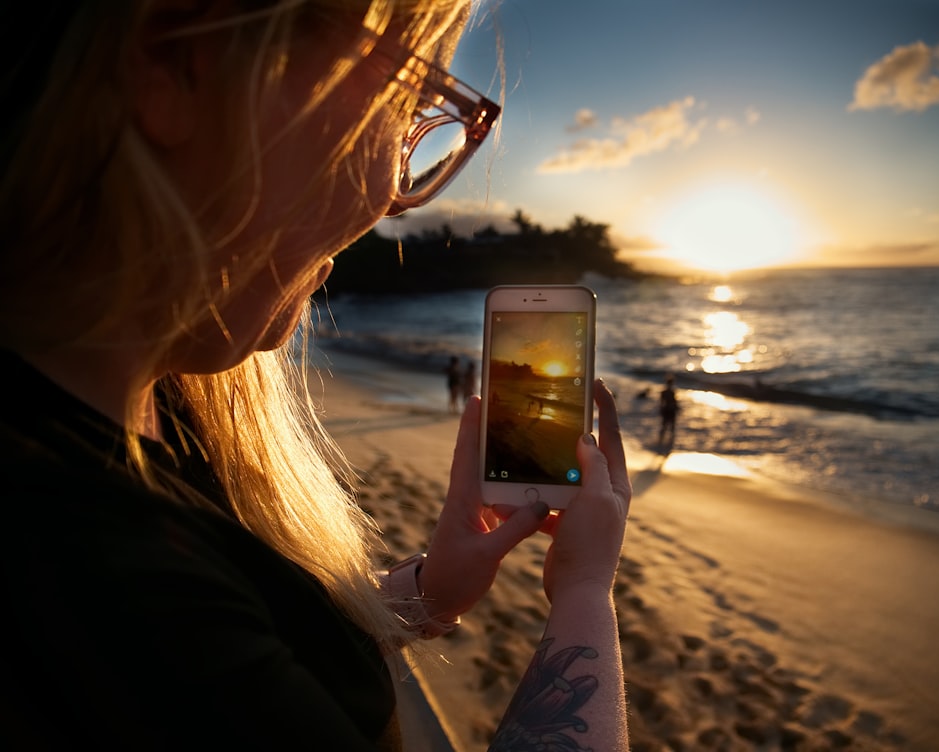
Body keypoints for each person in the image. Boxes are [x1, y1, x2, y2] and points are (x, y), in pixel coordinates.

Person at [0, 3, 631, 750]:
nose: (395, 200)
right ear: (174, 65)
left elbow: (270, 637)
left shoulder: (157, 409)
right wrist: (586, 592)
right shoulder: (99, 573)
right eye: (404, 109)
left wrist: (426, 595)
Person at [658, 373, 679, 453]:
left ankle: (663, 442)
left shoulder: (664, 392)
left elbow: (662, 403)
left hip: (668, 410)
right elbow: (674, 402)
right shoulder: (671, 392)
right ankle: (668, 443)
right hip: (669, 410)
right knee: (669, 426)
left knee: (666, 426)